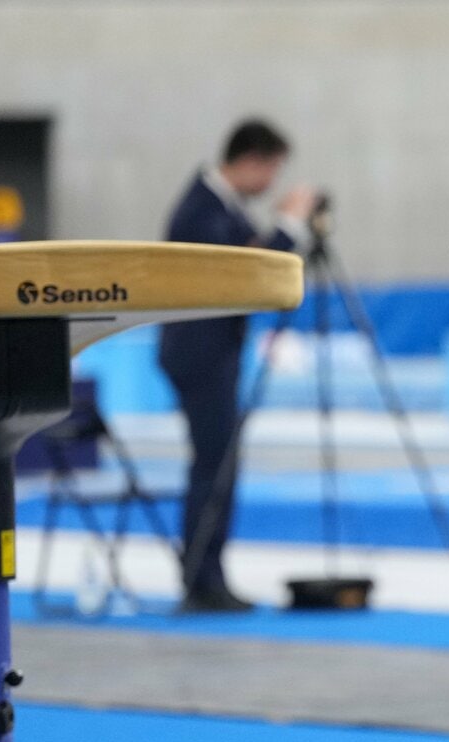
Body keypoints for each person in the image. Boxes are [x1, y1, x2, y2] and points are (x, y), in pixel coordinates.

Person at [157, 119, 316, 612]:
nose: (270, 185)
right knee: (214, 467)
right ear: (252, 162)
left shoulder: (222, 207)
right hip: (199, 356)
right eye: (271, 171)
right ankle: (201, 580)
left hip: (210, 353)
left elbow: (254, 257)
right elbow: (249, 274)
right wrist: (289, 224)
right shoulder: (202, 209)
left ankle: (207, 574)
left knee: (218, 466)